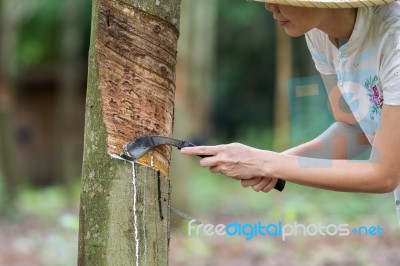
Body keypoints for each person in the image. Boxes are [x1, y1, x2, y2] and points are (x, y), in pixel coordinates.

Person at [181, 0, 400, 221]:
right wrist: (271, 163)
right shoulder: (320, 33)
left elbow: (384, 174)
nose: (270, 7)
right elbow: (355, 130)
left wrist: (269, 163)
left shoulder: (394, 38)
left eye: (281, 0)